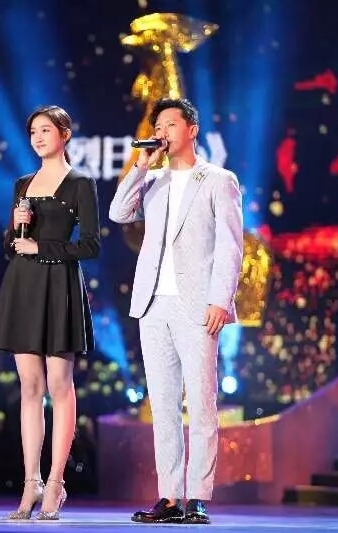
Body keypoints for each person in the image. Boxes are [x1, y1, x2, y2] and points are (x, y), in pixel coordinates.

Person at [109, 98, 243, 525]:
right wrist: (141, 166)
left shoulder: (218, 180)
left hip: (198, 304)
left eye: (170, 124)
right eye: (158, 126)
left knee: (202, 403)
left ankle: (198, 496)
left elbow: (231, 245)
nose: (162, 132)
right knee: (163, 406)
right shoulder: (154, 180)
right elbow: (117, 212)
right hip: (153, 304)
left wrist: (220, 299)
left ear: (192, 129)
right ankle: (168, 496)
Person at [0, 105, 100, 521]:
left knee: (58, 384)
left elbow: (90, 245)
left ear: (64, 134)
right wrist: (15, 227)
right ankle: (30, 482)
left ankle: (56, 482)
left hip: (58, 284)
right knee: (29, 386)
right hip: (23, 285)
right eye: (33, 131)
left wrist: (42, 247)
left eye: (45, 130)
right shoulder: (22, 184)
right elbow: (11, 245)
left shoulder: (80, 183)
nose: (37, 137)